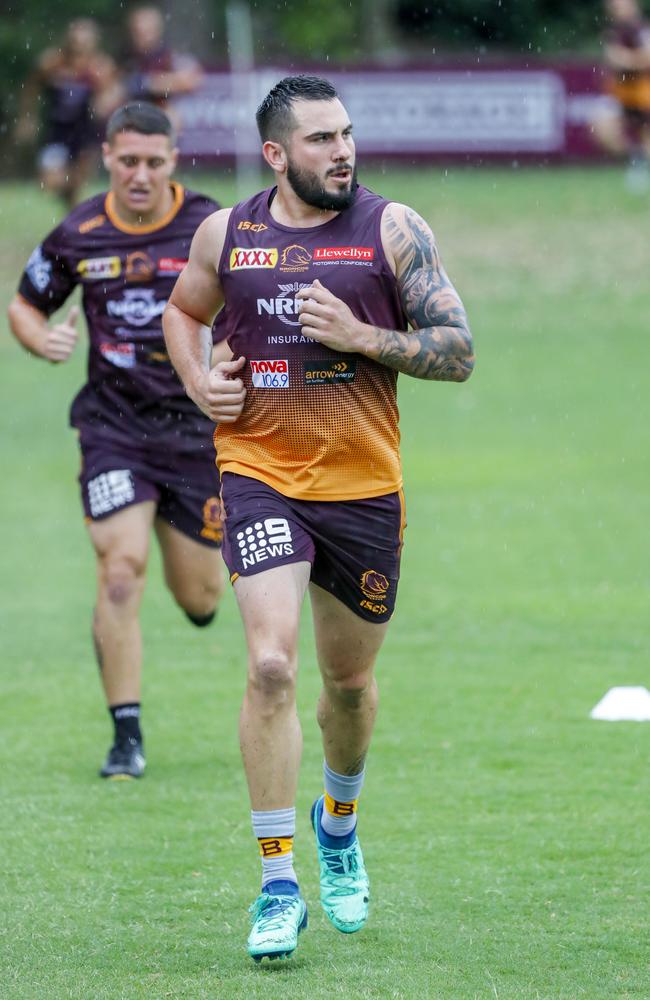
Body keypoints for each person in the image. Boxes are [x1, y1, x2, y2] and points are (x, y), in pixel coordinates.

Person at [163, 75, 474, 962]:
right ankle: (276, 882)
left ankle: (338, 824)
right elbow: (184, 314)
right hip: (259, 473)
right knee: (269, 665)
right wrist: (197, 381)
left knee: (346, 686)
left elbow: (458, 352)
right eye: (320, 139)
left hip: (364, 489)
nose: (341, 151)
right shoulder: (230, 232)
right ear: (275, 153)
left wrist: (361, 335)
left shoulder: (393, 229)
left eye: (346, 134)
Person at [8, 102, 227, 781]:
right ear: (106, 157)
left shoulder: (212, 226)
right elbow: (24, 302)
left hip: (195, 433)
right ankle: (125, 737)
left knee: (202, 600)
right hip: (113, 430)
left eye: (153, 163)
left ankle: (173, 530)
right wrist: (39, 337)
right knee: (121, 570)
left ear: (174, 160)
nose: (139, 175)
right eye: (127, 161)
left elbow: (257, 298)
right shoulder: (80, 232)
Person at [14, 18, 121, 209]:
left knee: (77, 185)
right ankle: (70, 203)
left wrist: (103, 102)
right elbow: (30, 88)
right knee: (49, 183)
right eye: (76, 43)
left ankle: (72, 219)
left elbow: (113, 93)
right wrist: (27, 118)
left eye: (85, 44)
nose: (80, 49)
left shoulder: (100, 67)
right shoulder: (52, 63)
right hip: (57, 131)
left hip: (85, 133)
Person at [592, 0, 650, 190]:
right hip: (620, 94)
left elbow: (645, 58)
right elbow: (613, 61)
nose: (615, 8)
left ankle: (640, 164)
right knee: (601, 129)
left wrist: (625, 59)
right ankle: (637, 158)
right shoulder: (614, 31)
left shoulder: (640, 29)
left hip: (643, 93)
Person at [122, 6, 203, 115]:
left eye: (147, 31)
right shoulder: (126, 58)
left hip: (163, 114)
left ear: (158, 30)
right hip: (134, 117)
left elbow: (193, 80)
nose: (142, 37)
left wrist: (148, 83)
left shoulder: (170, 56)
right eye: (137, 32)